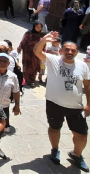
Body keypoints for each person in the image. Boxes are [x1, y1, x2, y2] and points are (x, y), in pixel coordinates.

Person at [34, 33, 90, 172]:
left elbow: (87, 85)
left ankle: (77, 155)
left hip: (76, 107)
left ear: (77, 52)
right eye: (67, 49)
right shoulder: (53, 60)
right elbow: (36, 51)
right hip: (54, 103)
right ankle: (55, 149)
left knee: (82, 135)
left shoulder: (83, 66)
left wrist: (89, 104)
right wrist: (43, 40)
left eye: (73, 50)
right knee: (54, 128)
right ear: (61, 51)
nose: (70, 52)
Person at [17, 21, 45, 87]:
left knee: (34, 66)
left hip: (36, 53)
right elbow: (23, 41)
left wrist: (44, 51)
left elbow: (44, 43)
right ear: (34, 26)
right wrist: (19, 48)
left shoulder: (42, 34)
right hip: (28, 52)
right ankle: (26, 79)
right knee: (27, 65)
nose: (38, 28)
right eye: (37, 27)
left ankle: (32, 80)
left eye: (40, 27)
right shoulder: (28, 33)